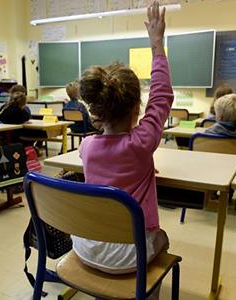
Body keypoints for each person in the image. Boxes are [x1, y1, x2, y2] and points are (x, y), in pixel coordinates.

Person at [71, 3, 171, 298]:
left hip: (86, 247)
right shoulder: (142, 143)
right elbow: (162, 94)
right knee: (163, 240)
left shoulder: (86, 147)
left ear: (96, 111)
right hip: (131, 258)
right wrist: (157, 44)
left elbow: (111, 163)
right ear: (136, 108)